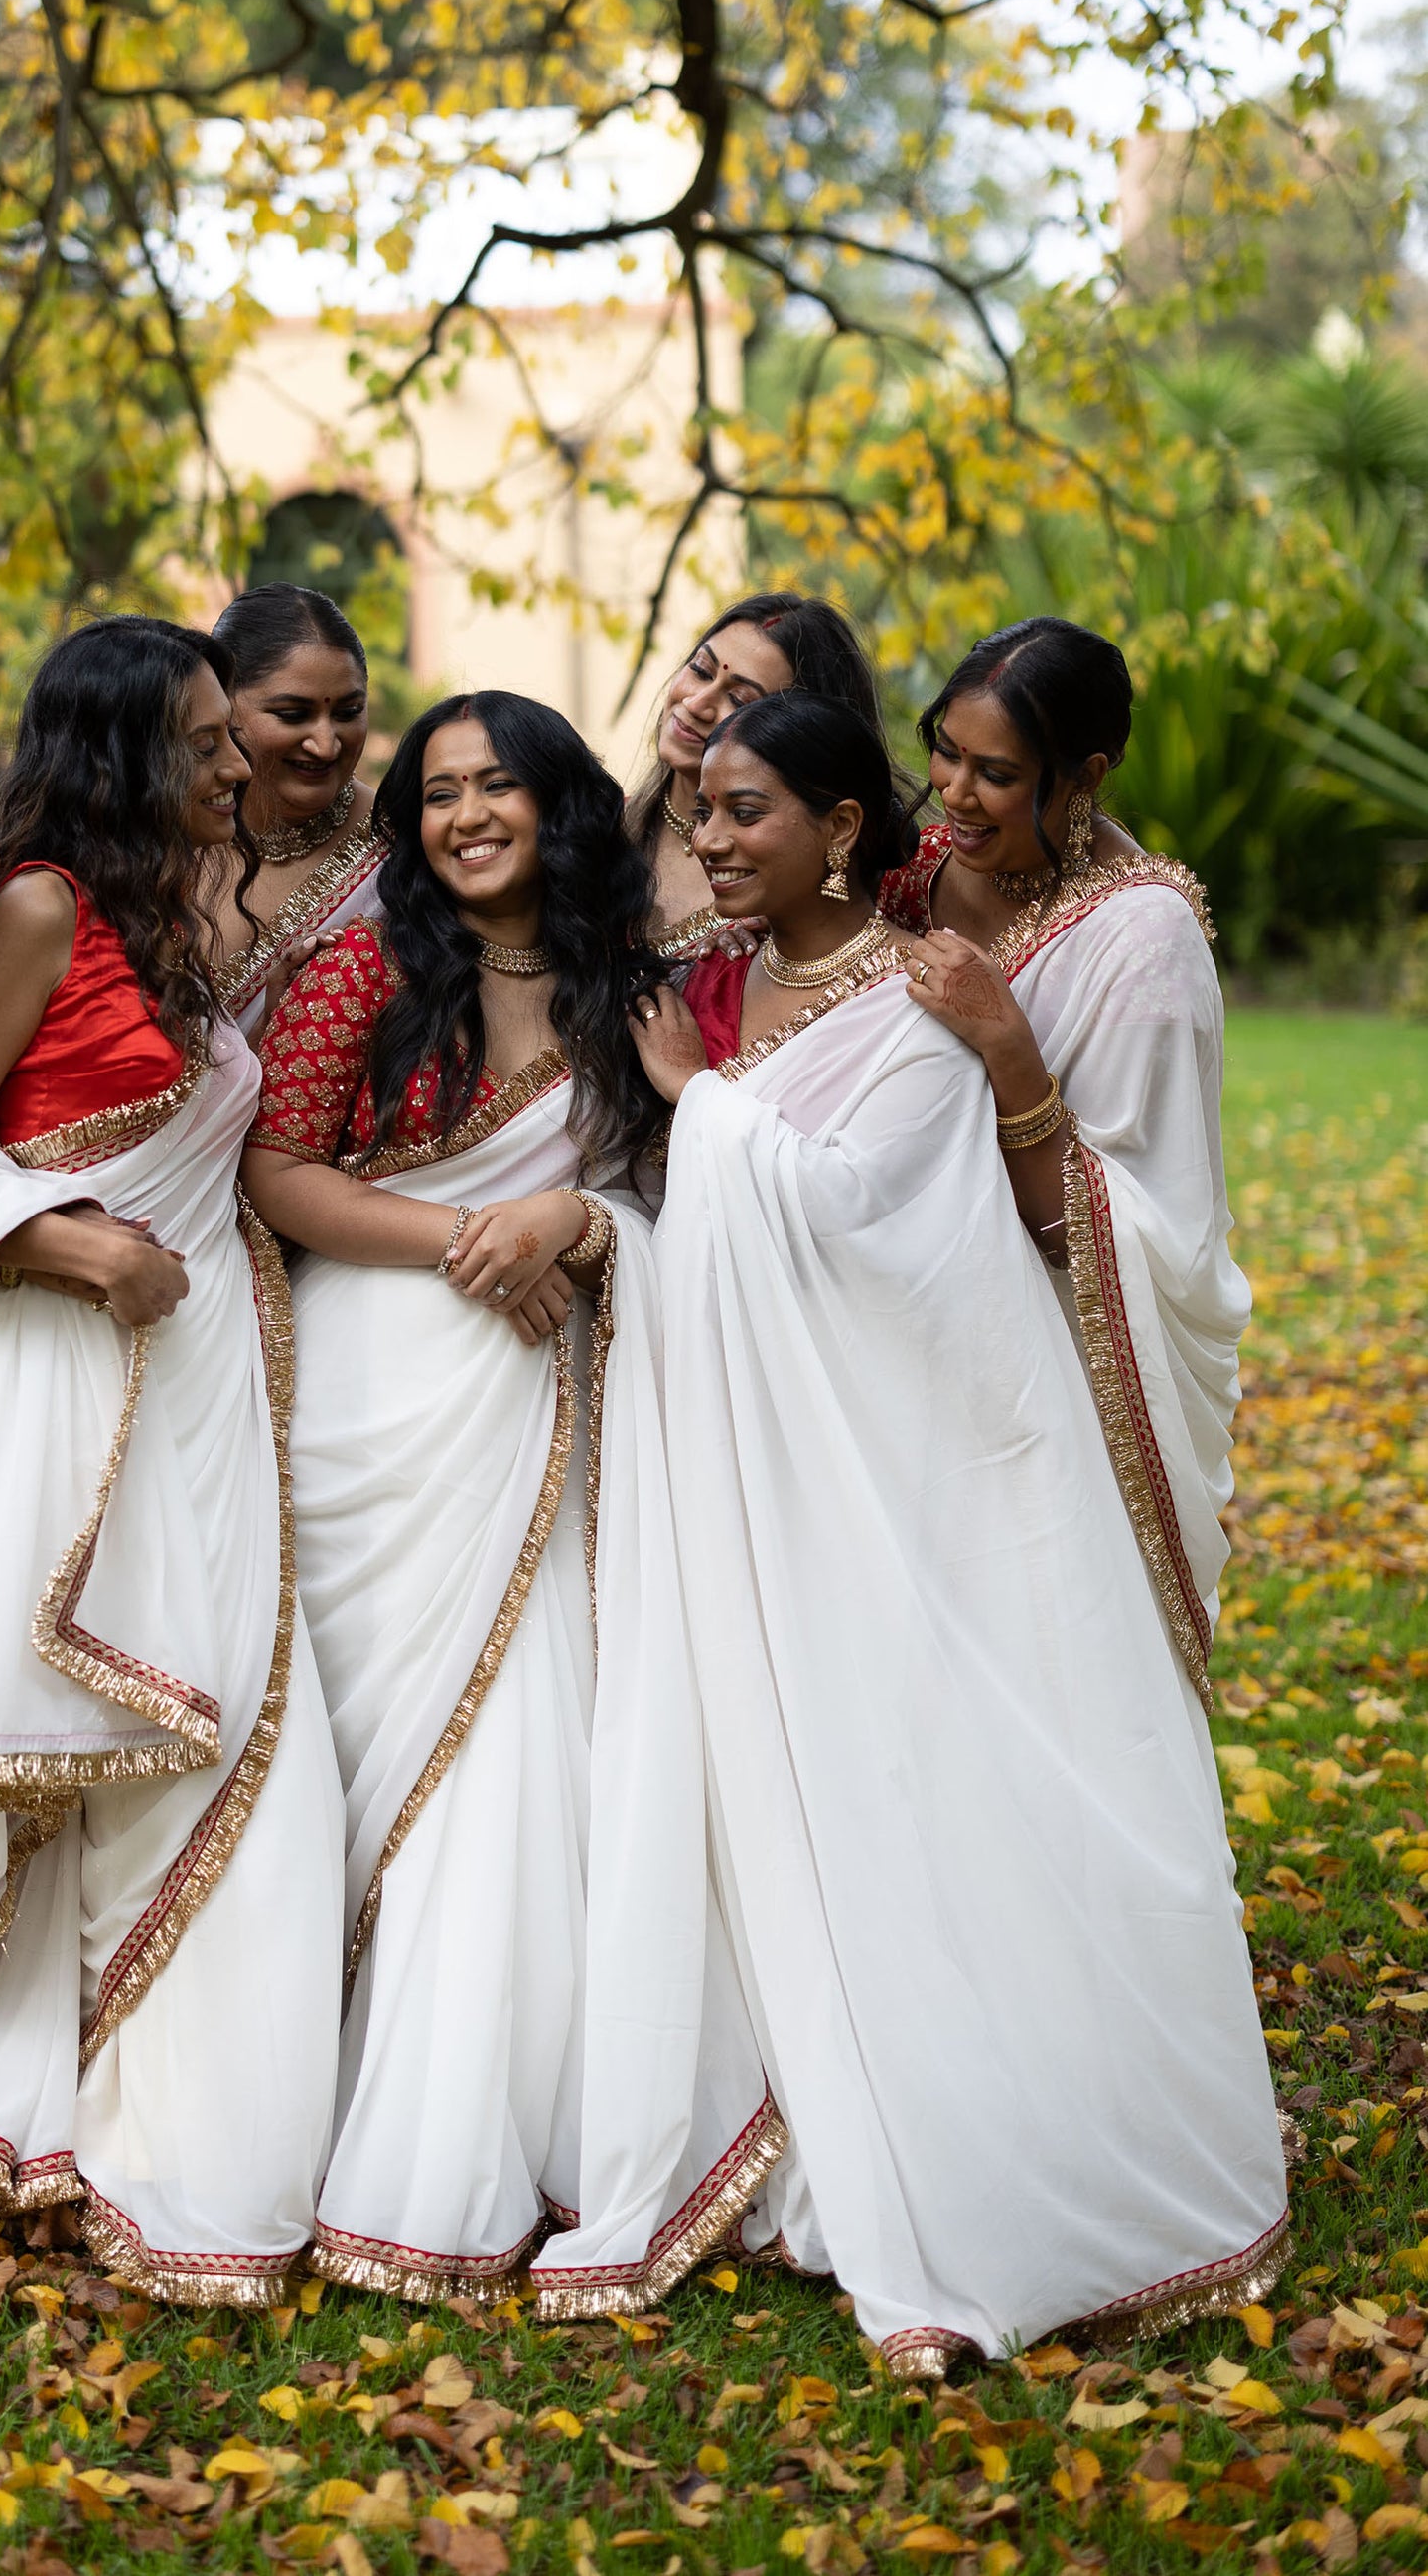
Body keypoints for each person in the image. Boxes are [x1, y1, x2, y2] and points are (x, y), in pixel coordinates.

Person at [632, 690, 1288, 2373]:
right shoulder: (745, 979)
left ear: (840, 830)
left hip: (911, 1465)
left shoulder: (921, 1000)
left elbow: (886, 1229)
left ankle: (1002, 2142)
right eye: (696, 805)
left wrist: (701, 1111)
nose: (708, 835)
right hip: (756, 1467)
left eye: (745, 807)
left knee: (942, 1773)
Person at [0, 619, 343, 2301]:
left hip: (210, 1377)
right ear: (115, 755)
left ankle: (181, 2096)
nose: (236, 760)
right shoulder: (35, 914)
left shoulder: (174, 903)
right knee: (146, 1741)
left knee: (234, 1726)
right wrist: (83, 1247)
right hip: (82, 1374)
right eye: (201, 740)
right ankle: (59, 2099)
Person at [242, 692, 778, 2307]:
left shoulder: (636, 984)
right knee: (370, 1758)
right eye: (437, 791)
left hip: (556, 1400)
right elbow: (279, 1169)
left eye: (497, 785)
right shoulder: (367, 965)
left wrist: (573, 1221)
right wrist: (473, 1241)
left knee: (526, 1751)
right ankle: (310, 2107)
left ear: (559, 799)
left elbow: (670, 1182)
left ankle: (514, 2111)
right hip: (381, 1396)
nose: (465, 813)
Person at [881, 617, 1249, 1709]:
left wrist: (1005, 1048)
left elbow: (1121, 1241)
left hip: (1043, 1371)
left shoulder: (1142, 946)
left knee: (1035, 1674)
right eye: (943, 750)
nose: (951, 792)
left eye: (996, 773)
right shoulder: (917, 868)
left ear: (1086, 773)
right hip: (891, 1329)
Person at [627, 591, 885, 961]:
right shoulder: (592, 829)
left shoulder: (811, 898)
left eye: (740, 700)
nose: (696, 703)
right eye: (700, 670)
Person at [207, 582, 385, 1040]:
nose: (325, 744)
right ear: (221, 706)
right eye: (292, 714)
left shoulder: (400, 842)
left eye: (348, 712)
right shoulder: (156, 838)